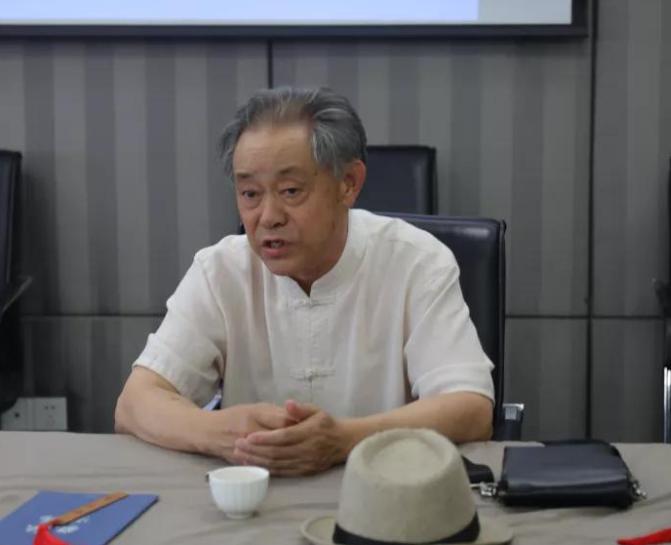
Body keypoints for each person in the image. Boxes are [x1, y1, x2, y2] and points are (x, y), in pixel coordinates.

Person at [115, 86, 494, 476]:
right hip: (258, 499)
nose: (268, 217)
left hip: (386, 491)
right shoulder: (220, 270)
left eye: (290, 191)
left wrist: (344, 440)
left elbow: (471, 407)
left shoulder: (418, 262)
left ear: (348, 183)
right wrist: (218, 432)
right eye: (250, 193)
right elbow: (135, 403)